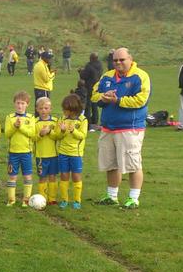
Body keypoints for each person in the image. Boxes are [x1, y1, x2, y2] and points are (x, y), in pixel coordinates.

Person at [92, 47, 151, 209]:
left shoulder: (140, 76)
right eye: (115, 60)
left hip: (130, 128)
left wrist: (118, 101)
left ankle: (133, 198)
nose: (118, 63)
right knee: (111, 164)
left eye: (122, 60)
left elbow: (141, 100)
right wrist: (103, 98)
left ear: (130, 59)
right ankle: (112, 196)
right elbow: (94, 94)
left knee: (133, 164)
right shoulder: (107, 76)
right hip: (108, 128)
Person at [52, 94, 88, 210]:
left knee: (76, 176)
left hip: (76, 154)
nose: (63, 111)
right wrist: (62, 131)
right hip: (63, 153)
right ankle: (64, 200)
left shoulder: (83, 120)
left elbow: (82, 136)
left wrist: (74, 131)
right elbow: (57, 136)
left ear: (72, 109)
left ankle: (77, 200)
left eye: (65, 109)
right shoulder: (62, 119)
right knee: (64, 176)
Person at [4, 90, 36, 207]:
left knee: (27, 176)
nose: (20, 106)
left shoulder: (31, 118)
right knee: (12, 176)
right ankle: (11, 200)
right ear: (14, 104)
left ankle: (26, 200)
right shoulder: (10, 117)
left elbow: (32, 133)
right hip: (13, 153)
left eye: (22, 103)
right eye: (18, 103)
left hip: (26, 152)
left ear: (27, 104)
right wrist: (14, 126)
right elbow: (7, 134)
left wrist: (21, 127)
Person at [33, 97, 59, 204]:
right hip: (40, 156)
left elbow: (58, 136)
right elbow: (32, 138)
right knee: (42, 177)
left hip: (53, 155)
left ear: (50, 109)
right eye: (41, 108)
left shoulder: (55, 121)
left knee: (52, 176)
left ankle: (52, 198)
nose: (43, 110)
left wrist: (50, 132)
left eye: (46, 108)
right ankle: (42, 199)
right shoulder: (34, 122)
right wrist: (40, 134)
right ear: (37, 109)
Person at [79, 53, 104, 130]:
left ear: (91, 58)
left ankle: (88, 123)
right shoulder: (100, 65)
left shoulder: (89, 66)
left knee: (88, 106)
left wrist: (80, 71)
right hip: (97, 87)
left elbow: (84, 75)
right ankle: (95, 122)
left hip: (89, 87)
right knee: (95, 105)